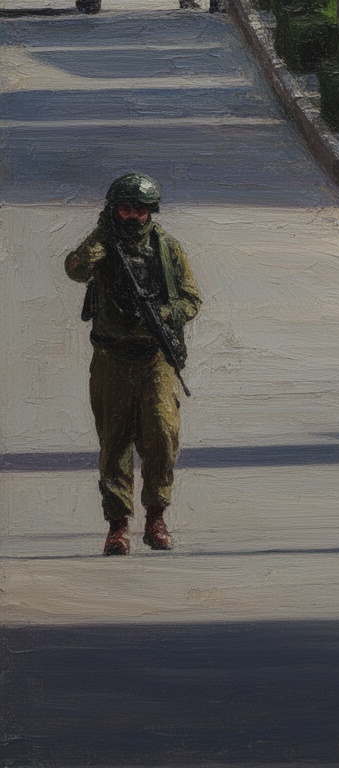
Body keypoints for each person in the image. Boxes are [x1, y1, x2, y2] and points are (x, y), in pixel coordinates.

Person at [65, 173, 201, 556]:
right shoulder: (103, 246)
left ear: (150, 212)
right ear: (113, 211)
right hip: (111, 358)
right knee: (115, 442)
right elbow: (75, 269)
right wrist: (99, 239)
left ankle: (156, 516)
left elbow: (191, 299)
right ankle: (118, 525)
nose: (132, 217)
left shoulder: (168, 250)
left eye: (140, 210)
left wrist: (163, 312)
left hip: (155, 359)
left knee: (161, 435)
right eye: (124, 209)